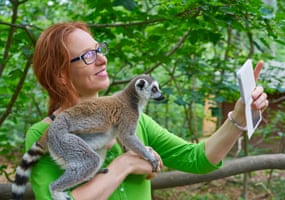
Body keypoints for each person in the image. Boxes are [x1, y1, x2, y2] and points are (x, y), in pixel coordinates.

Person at [26, 22, 269, 200]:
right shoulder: (44, 132)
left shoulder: (134, 119)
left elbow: (197, 159)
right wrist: (124, 165)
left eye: (99, 49)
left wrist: (238, 118)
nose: (102, 60)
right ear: (60, 75)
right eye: (89, 55)